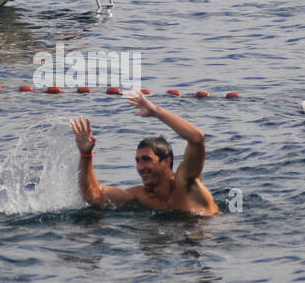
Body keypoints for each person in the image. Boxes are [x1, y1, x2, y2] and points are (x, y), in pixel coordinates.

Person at [71, 92, 219, 216]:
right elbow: (94, 196)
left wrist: (156, 111)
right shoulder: (141, 196)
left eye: (146, 159)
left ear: (167, 161)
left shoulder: (186, 183)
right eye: (137, 161)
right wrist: (86, 156)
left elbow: (197, 138)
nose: (140, 167)